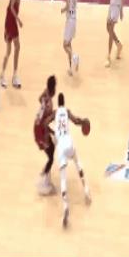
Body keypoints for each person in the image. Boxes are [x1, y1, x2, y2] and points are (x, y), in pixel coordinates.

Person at [51, 93, 91, 228]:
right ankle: (86, 190)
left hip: (60, 146)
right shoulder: (67, 112)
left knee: (63, 179)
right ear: (64, 102)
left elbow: (44, 123)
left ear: (58, 103)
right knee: (78, 163)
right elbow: (76, 121)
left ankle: (65, 207)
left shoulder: (54, 113)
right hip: (69, 143)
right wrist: (83, 121)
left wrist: (52, 133)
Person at [0, 0, 25, 88]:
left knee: (10, 51)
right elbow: (11, 7)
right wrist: (18, 20)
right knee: (17, 47)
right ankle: (13, 75)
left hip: (11, 20)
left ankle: (4, 74)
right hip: (11, 20)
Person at [34, 75, 57, 195]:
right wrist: (47, 136)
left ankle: (46, 176)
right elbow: (45, 123)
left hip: (37, 125)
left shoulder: (45, 93)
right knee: (51, 157)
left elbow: (39, 99)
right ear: (53, 89)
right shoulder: (50, 105)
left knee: (51, 150)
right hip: (40, 129)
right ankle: (43, 180)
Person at [60, 0, 80, 76]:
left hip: (69, 20)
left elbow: (67, 5)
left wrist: (62, 10)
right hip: (74, 18)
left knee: (64, 45)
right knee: (69, 44)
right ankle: (71, 68)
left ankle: (74, 57)